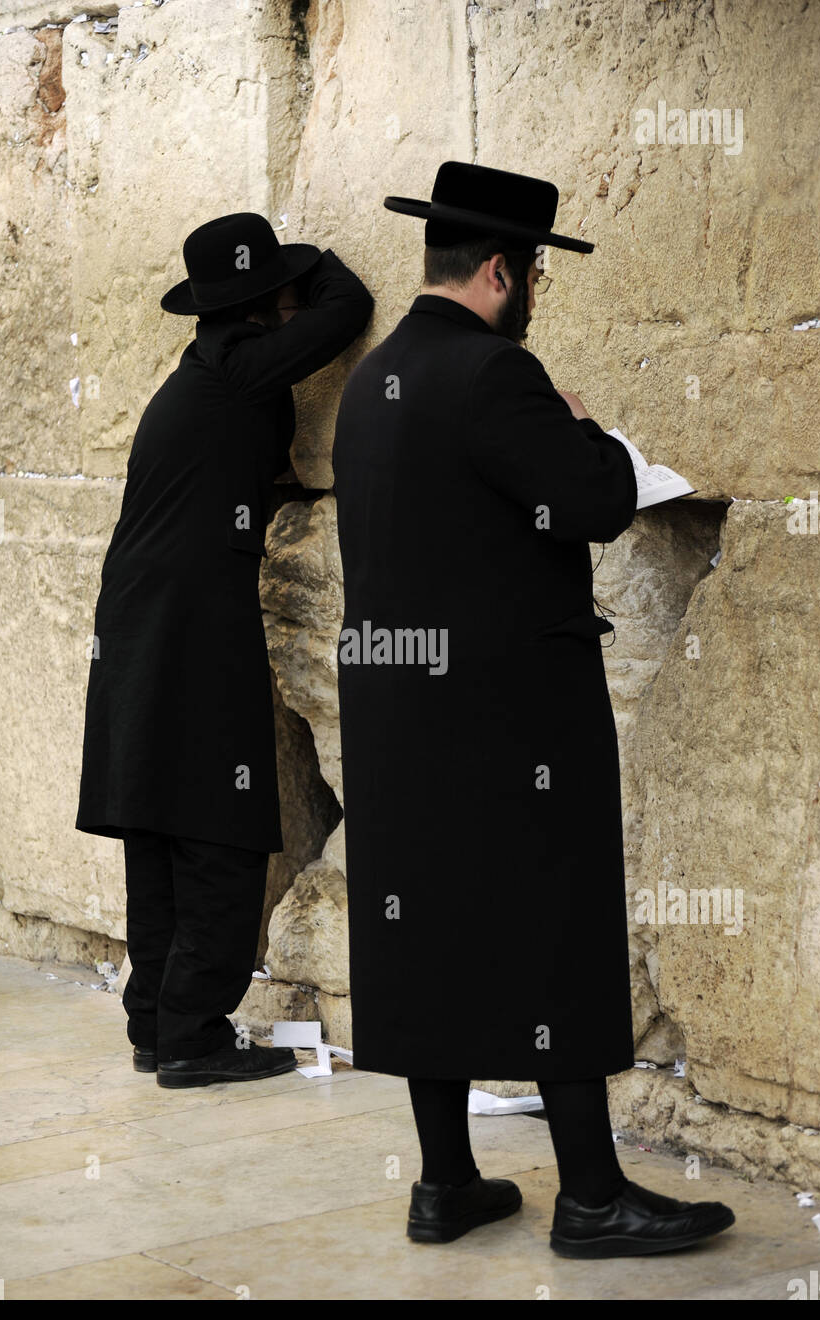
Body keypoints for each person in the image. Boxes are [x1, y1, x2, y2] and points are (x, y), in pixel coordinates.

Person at [332, 162, 734, 1257]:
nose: (536, 297)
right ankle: (592, 1197)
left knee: (420, 929)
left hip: (394, 708)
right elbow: (593, 499)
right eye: (537, 276)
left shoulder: (373, 381)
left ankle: (444, 1183)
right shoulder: (494, 373)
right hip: (508, 716)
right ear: (502, 272)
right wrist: (587, 429)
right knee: (555, 926)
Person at [76, 212, 373, 1089]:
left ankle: (158, 1025)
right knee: (217, 823)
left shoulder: (205, 368)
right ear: (261, 302)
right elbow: (347, 304)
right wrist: (305, 267)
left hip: (141, 612)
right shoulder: (243, 365)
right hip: (191, 620)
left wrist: (275, 280)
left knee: (161, 820)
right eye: (279, 293)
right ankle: (193, 1036)